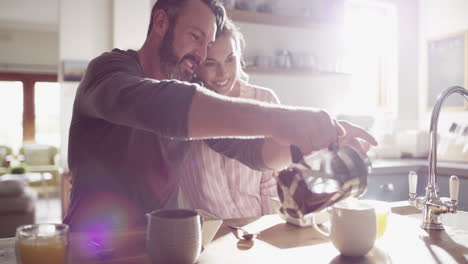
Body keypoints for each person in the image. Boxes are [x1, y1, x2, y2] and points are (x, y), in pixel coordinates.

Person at [64, 0, 377, 232]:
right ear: (161, 23)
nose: (202, 55)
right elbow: (159, 105)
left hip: (156, 242)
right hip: (90, 243)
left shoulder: (191, 88)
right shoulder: (108, 72)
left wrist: (309, 141)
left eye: (209, 44)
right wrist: (285, 119)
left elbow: (252, 151)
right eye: (196, 37)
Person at [176, 19, 281, 218]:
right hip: (206, 236)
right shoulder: (182, 108)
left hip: (257, 231)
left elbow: (272, 181)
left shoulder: (265, 100)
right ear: (195, 66)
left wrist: (267, 231)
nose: (223, 72)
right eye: (210, 63)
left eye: (230, 59)